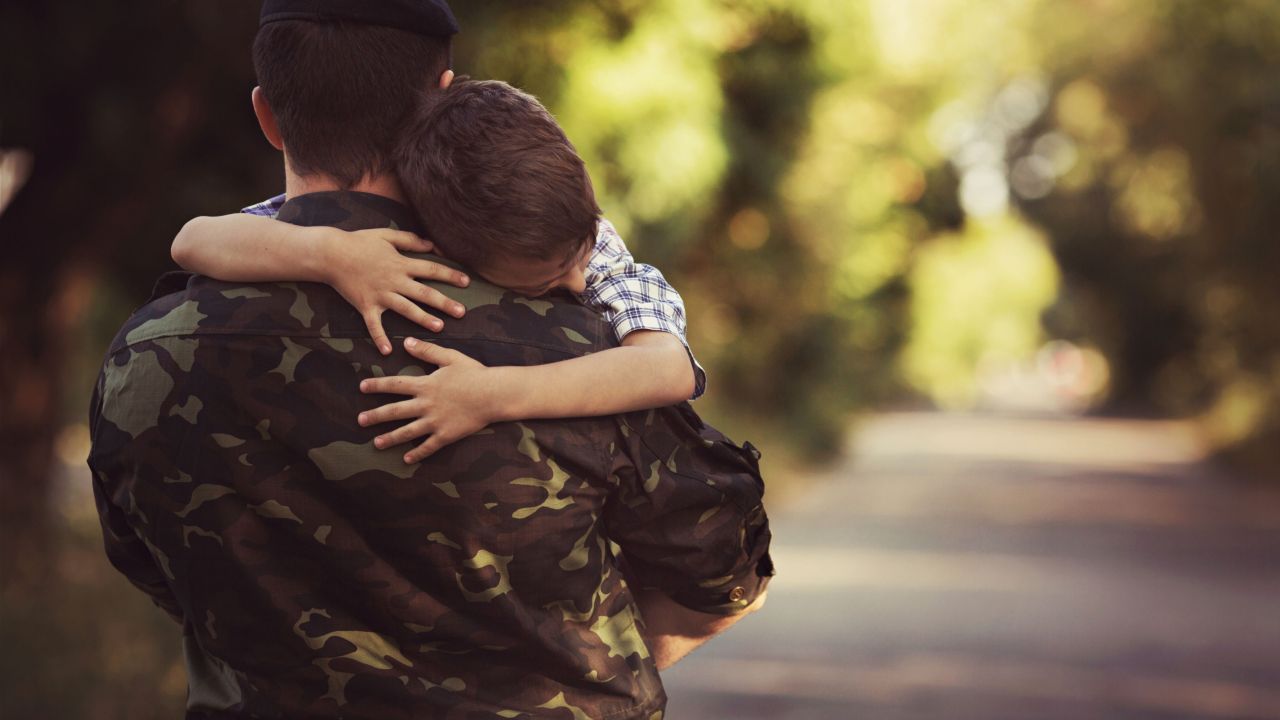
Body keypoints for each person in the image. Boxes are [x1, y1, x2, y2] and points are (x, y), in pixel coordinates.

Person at [87, 2, 773, 718]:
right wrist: (577, 668)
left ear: (267, 115)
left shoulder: (150, 356)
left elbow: (152, 565)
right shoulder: (578, 355)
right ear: (441, 98)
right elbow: (724, 570)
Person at [170, 83, 703, 467]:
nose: (578, 284)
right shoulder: (432, 217)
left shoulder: (597, 246)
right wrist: (332, 255)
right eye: (545, 280)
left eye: (579, 254)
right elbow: (192, 240)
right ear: (454, 254)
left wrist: (490, 394)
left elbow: (667, 368)